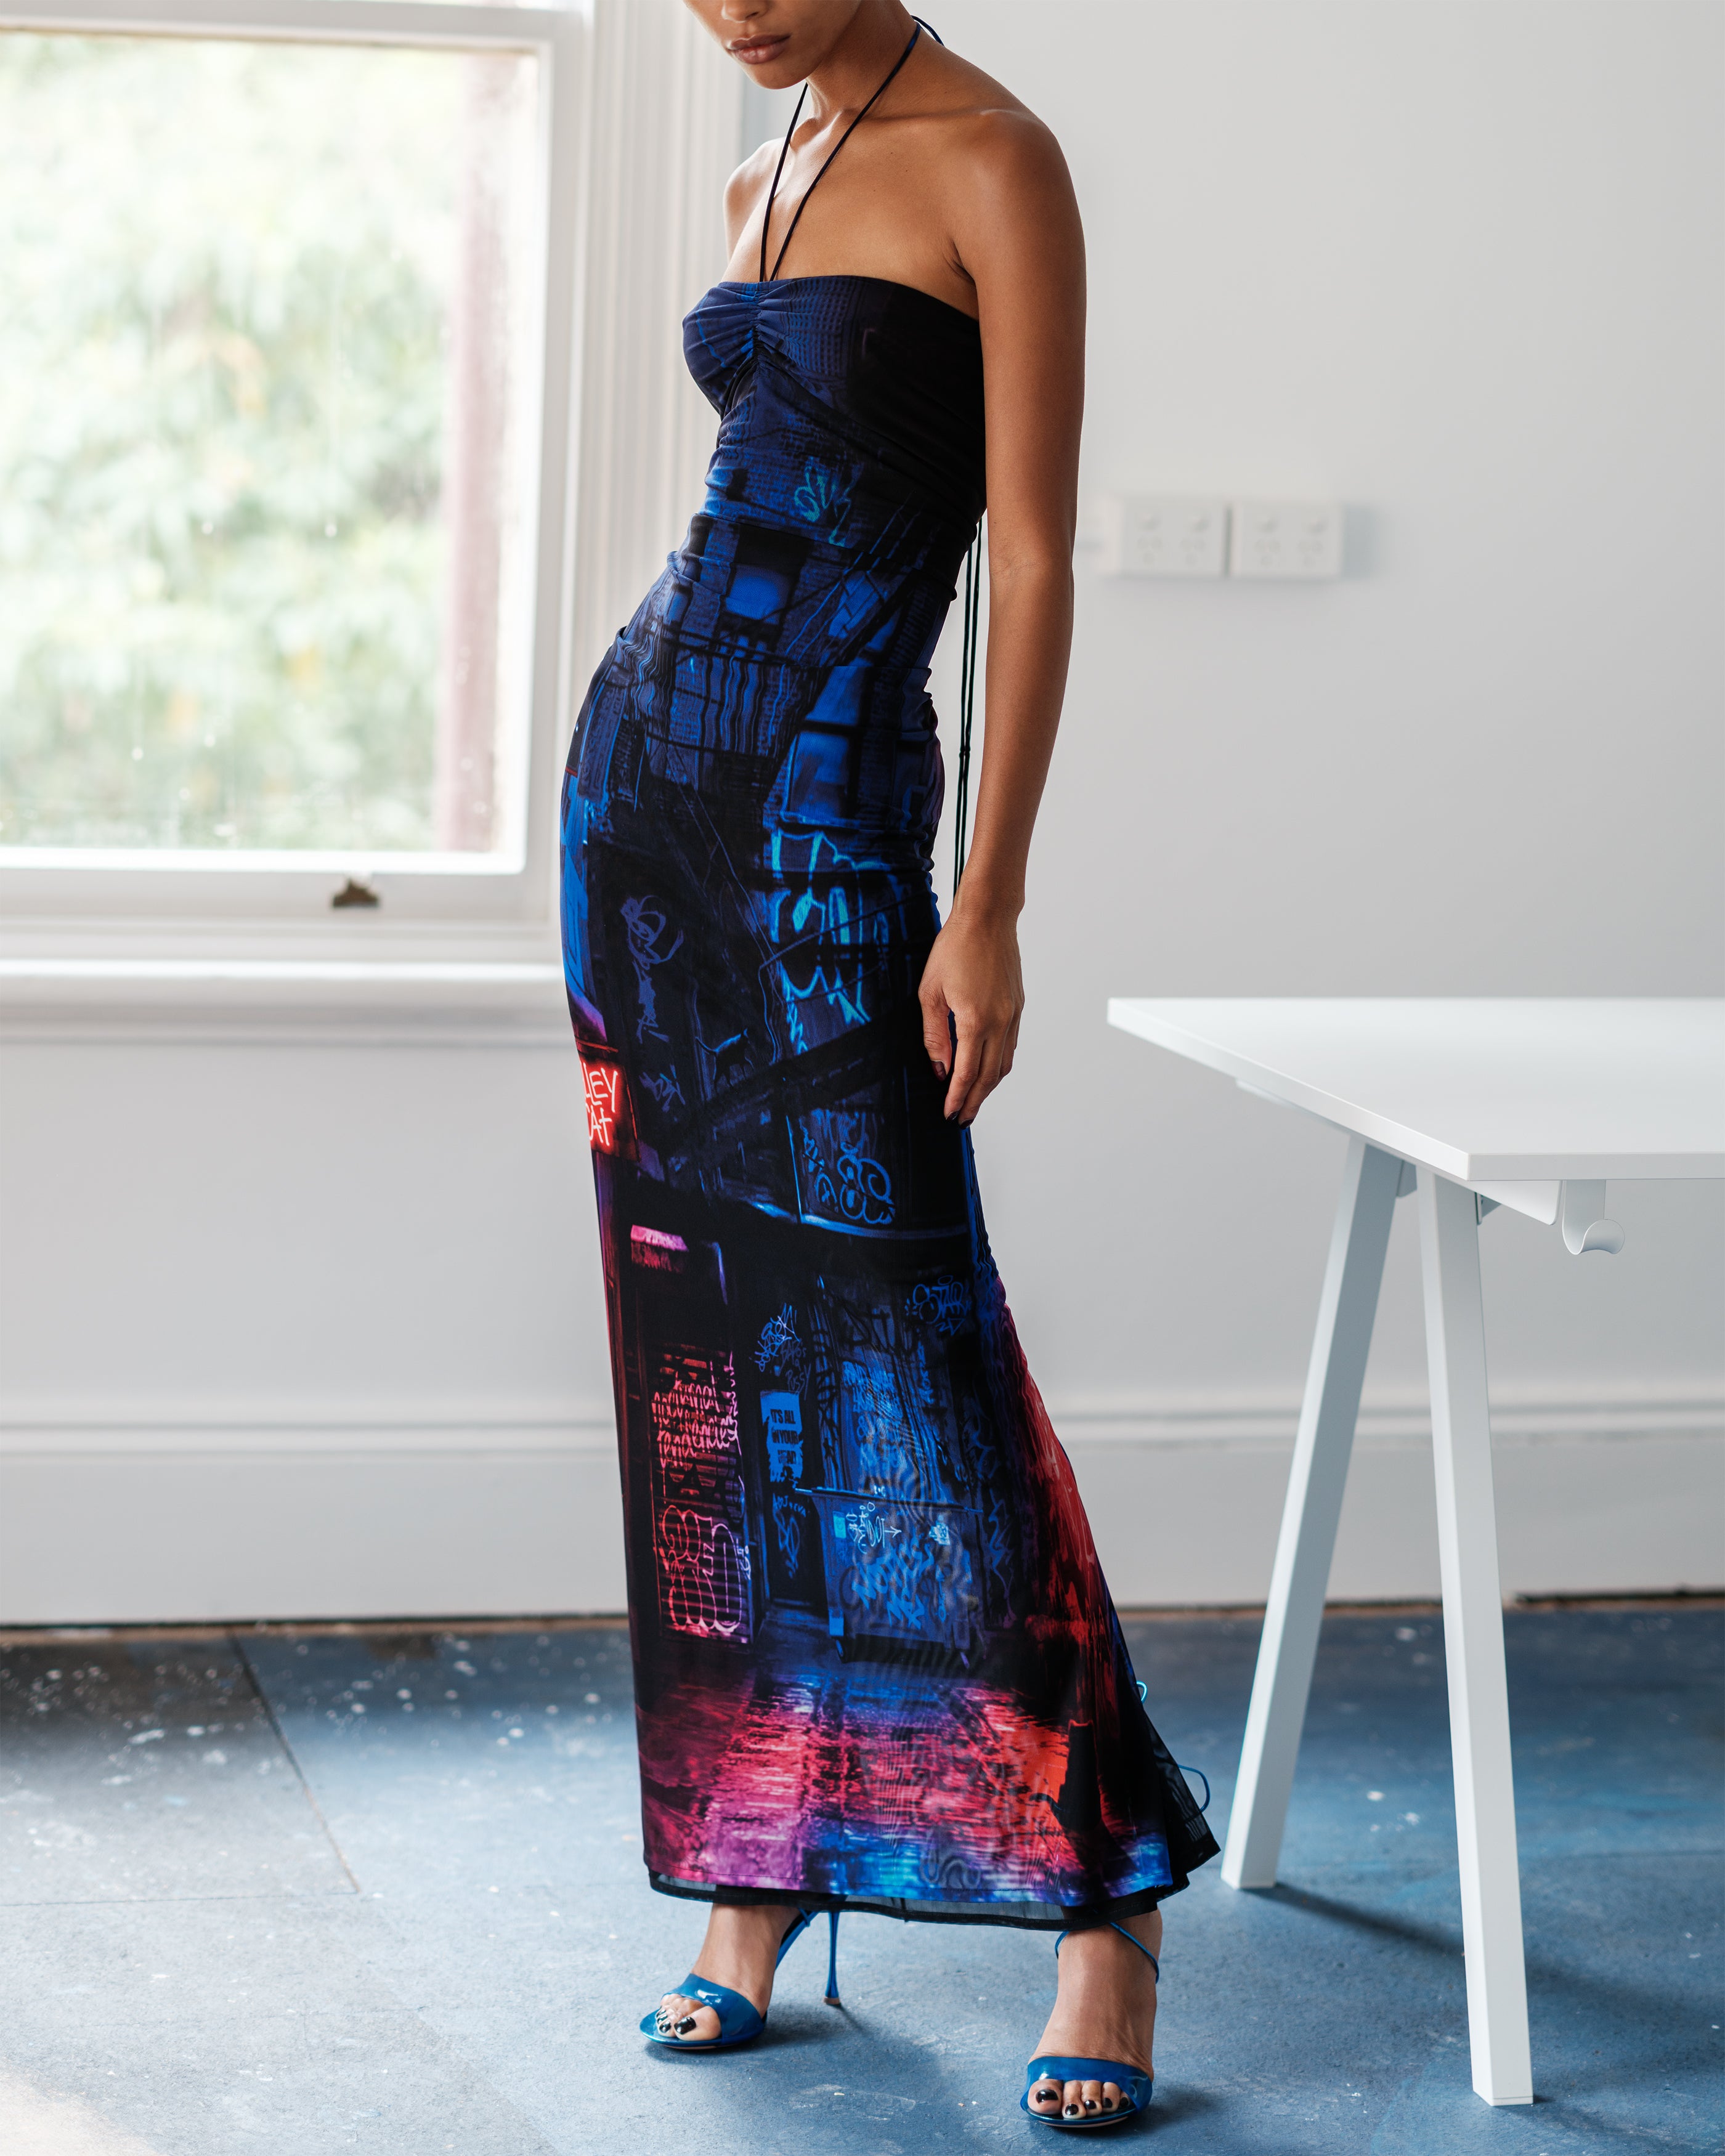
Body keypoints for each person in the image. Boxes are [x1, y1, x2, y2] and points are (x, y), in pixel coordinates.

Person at [559, 0, 1217, 2125]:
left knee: (916, 1340)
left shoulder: (995, 161)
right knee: (707, 1350)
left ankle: (1102, 1905)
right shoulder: (778, 162)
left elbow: (1027, 555)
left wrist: (990, 892)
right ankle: (759, 1857)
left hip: (844, 826)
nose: (731, 6)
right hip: (649, 813)